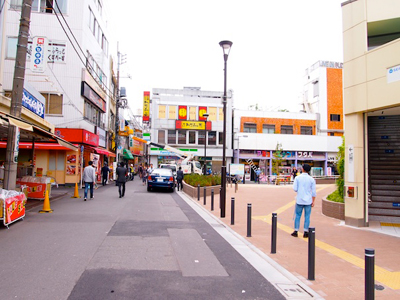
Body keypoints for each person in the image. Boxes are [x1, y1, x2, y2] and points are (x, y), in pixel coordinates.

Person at [291, 164, 316, 238]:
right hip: (308, 200)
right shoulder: (311, 179)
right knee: (307, 216)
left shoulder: (298, 178)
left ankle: (296, 231)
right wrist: (313, 201)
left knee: (297, 215)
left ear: (303, 169)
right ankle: (305, 231)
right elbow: (314, 192)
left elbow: (295, 189)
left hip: (299, 199)